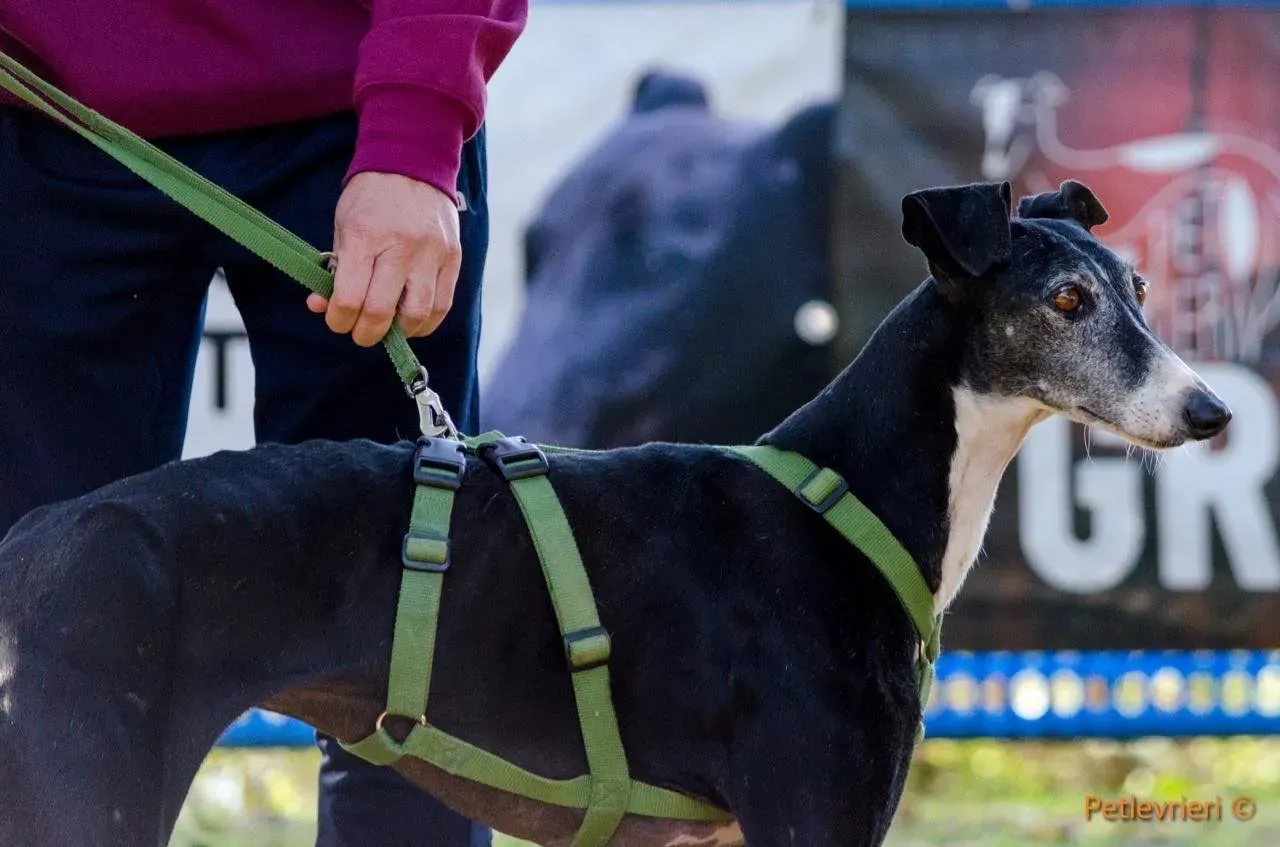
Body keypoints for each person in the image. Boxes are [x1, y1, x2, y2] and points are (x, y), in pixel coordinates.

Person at [0, 2, 526, 845]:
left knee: (408, 653)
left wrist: (416, 121)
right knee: (43, 651)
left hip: (353, 116)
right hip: (43, 110)